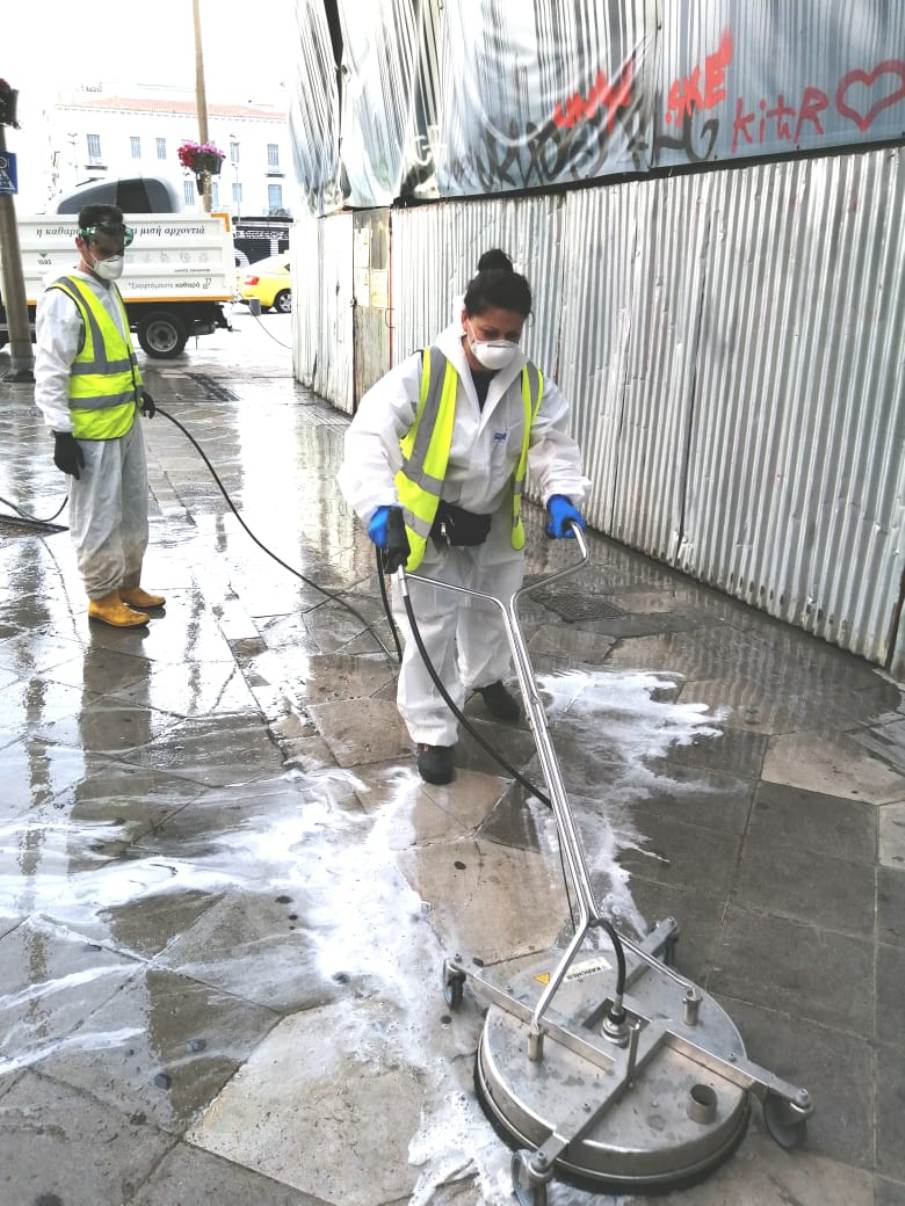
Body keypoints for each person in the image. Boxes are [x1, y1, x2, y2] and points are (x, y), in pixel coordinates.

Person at [339, 258, 589, 785]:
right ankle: (432, 732)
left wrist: (562, 493)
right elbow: (368, 436)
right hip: (428, 525)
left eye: (512, 334)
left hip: (494, 522)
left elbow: (551, 446)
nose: (500, 343)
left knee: (493, 614)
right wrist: (379, 506)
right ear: (465, 320)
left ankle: (487, 677)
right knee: (431, 629)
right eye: (489, 331)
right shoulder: (424, 371)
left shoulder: (532, 384)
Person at [34, 203, 164, 628]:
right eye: (104, 249)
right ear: (82, 244)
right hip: (89, 434)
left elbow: (116, 351)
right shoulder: (63, 296)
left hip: (123, 422)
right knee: (98, 517)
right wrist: (60, 433)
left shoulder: (107, 288)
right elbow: (52, 369)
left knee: (131, 510)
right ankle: (102, 596)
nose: (113, 257)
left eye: (117, 248)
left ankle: (128, 583)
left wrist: (137, 388)